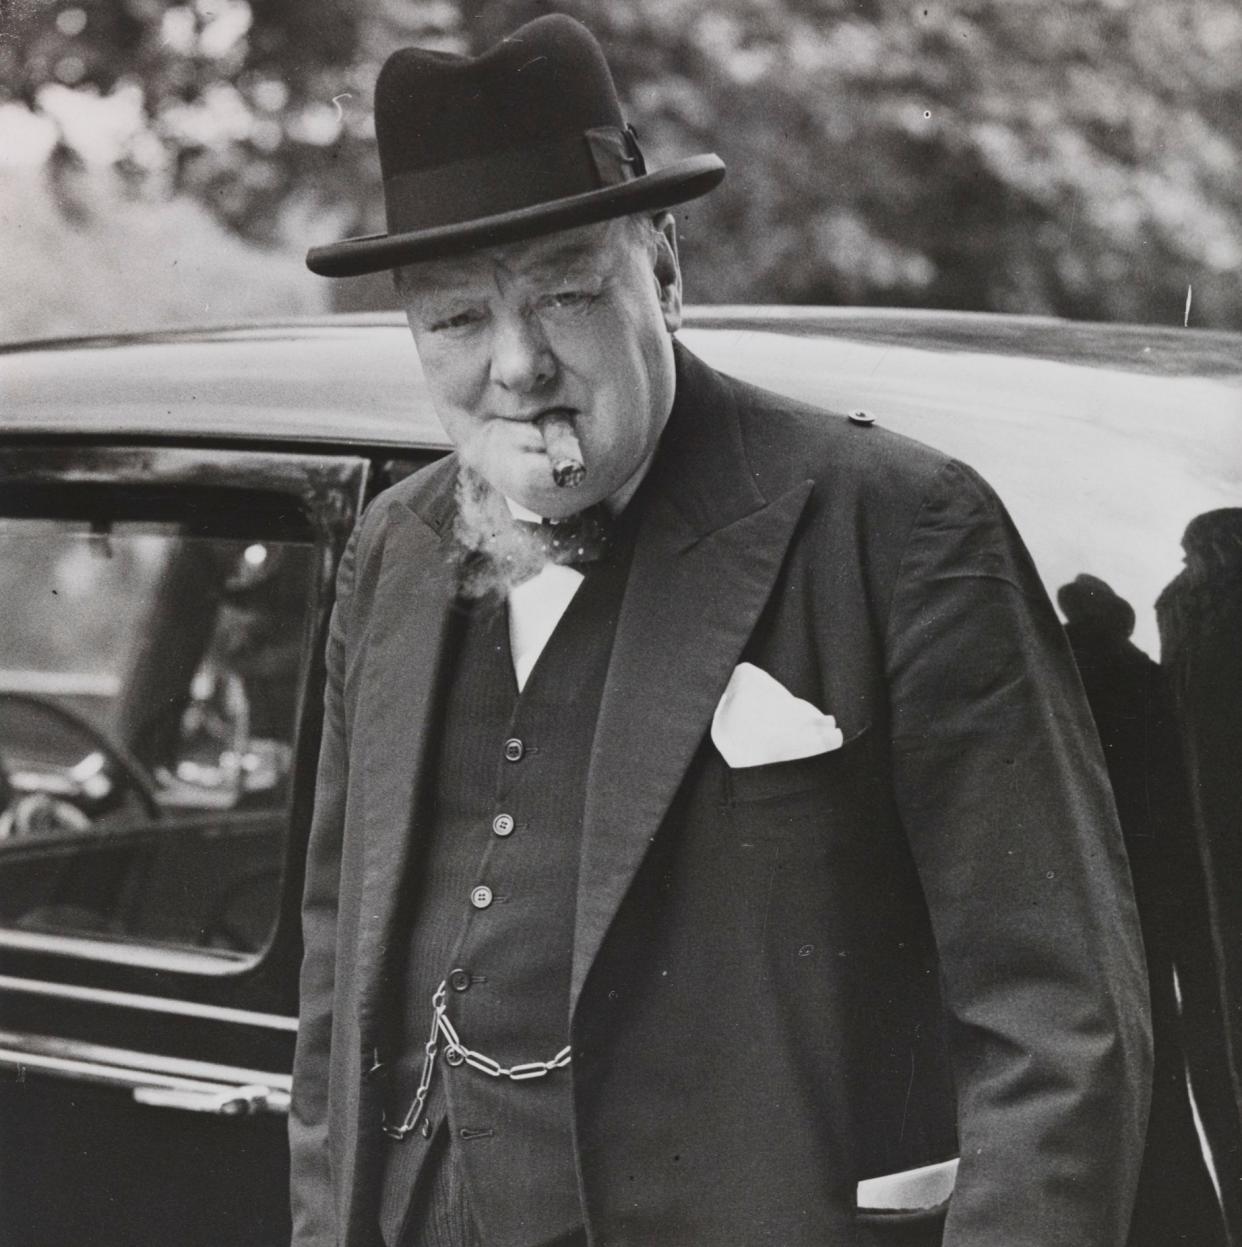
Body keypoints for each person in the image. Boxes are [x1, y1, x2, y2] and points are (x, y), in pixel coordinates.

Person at [291, 15, 1151, 1247]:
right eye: (456, 322)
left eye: (567, 293)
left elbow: (1060, 1021)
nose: (517, 364)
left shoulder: (899, 528)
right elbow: (336, 993)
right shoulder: (393, 548)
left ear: (667, 269)